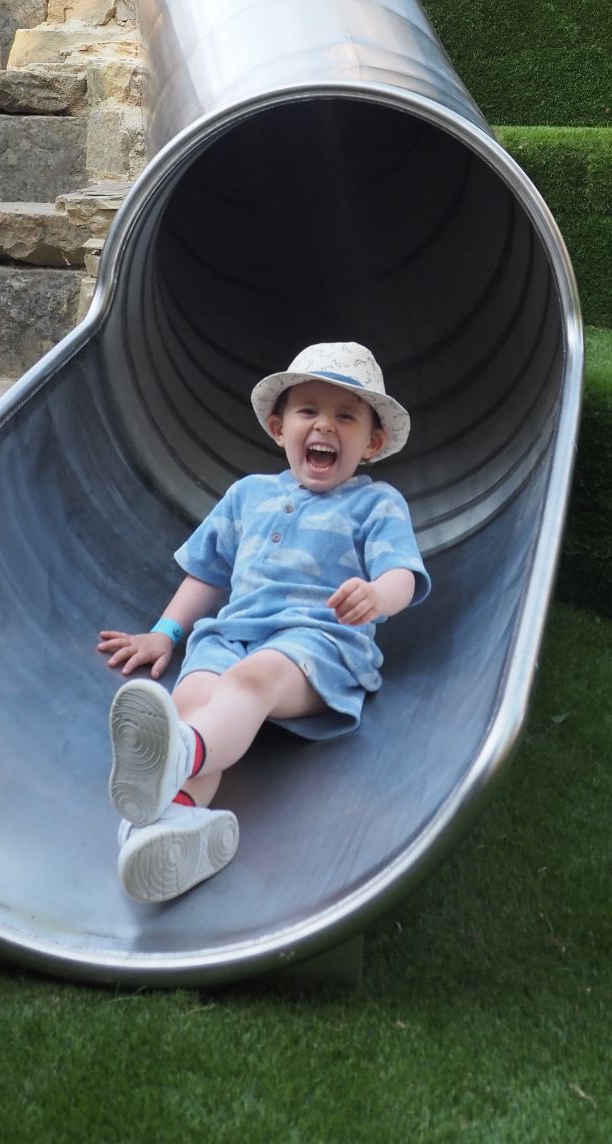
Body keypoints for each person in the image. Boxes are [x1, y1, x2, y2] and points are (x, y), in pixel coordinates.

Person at [97, 340, 428, 904]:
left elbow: (402, 572)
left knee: (251, 682)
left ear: (372, 442)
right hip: (233, 635)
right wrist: (166, 633)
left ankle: (177, 760)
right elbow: (207, 573)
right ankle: (169, 830)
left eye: (345, 416)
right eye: (308, 411)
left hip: (318, 644)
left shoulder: (376, 505)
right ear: (279, 428)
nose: (324, 425)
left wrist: (376, 596)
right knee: (193, 698)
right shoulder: (247, 495)